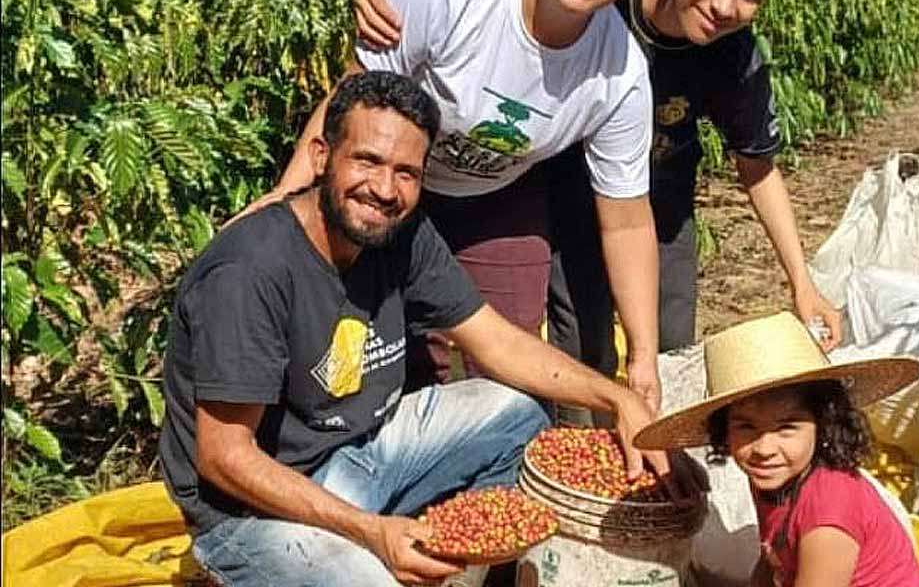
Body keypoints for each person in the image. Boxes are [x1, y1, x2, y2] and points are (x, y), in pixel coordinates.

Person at [160, 71, 679, 587]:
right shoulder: (252, 270)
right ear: (321, 156)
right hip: (251, 516)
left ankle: (446, 567)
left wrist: (617, 400)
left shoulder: (403, 234)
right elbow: (223, 457)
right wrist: (369, 532)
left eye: (406, 172)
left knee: (519, 415)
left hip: (358, 454)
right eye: (367, 161)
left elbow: (495, 341)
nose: (385, 189)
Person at [351, 0, 841, 426]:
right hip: (557, 193)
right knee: (576, 350)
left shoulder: (730, 57)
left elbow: (756, 167)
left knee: (669, 348)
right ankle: (568, 456)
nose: (724, 4)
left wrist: (802, 281)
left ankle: (642, 470)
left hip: (655, 207)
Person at [235, 0, 666, 416]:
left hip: (499, 196)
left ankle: (489, 471)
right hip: (393, 185)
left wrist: (644, 359)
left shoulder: (620, 73)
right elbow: (354, 97)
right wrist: (288, 196)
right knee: (383, 347)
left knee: (509, 367)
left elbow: (627, 220)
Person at [634, 312, 919, 587]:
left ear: (823, 424)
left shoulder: (828, 512)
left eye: (787, 428)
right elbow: (772, 557)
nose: (764, 448)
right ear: (725, 430)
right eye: (746, 427)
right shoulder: (777, 477)